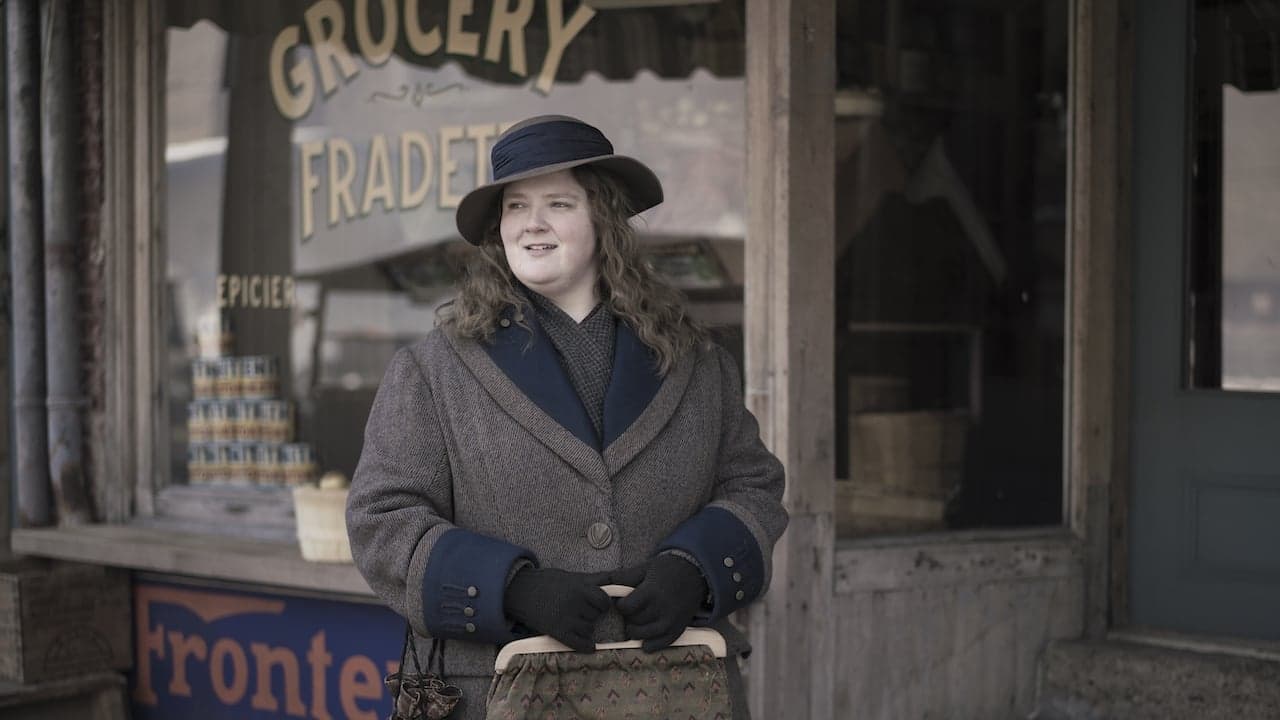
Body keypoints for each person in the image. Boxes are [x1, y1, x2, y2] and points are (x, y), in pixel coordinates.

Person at [346, 114, 787, 719]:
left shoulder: (698, 364)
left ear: (603, 220)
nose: (532, 223)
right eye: (515, 206)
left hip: (675, 691)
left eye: (559, 202)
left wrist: (695, 568)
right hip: (500, 694)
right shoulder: (431, 372)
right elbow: (381, 522)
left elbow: (755, 487)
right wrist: (510, 586)